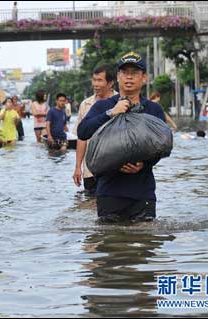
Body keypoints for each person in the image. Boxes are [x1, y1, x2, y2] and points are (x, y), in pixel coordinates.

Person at [77, 51, 166, 223]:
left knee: (145, 244)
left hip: (143, 193)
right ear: (118, 77)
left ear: (144, 78)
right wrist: (111, 113)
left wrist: (143, 164)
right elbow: (83, 132)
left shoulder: (153, 110)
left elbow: (162, 146)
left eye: (135, 73)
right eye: (125, 73)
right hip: (109, 192)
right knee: (111, 243)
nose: (129, 78)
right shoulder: (103, 106)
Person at [73, 64, 117, 196]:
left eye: (100, 80)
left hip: (115, 168)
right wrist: (77, 167)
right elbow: (82, 139)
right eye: (94, 80)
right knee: (91, 208)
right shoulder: (85, 105)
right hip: (90, 169)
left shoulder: (121, 102)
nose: (95, 84)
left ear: (110, 83)